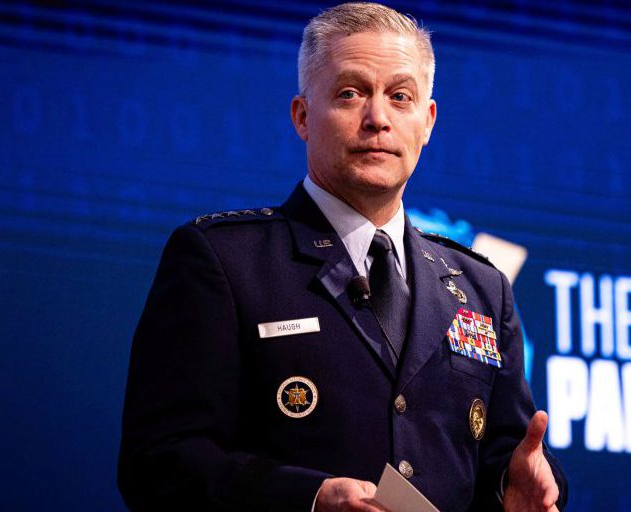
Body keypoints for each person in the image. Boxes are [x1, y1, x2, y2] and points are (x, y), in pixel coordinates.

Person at [118, 3, 567, 511]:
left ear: (428, 122)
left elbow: (502, 460)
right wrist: (307, 499)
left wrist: (518, 488)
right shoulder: (223, 260)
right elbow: (158, 463)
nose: (378, 118)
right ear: (303, 116)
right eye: (350, 93)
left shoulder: (483, 289)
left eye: (401, 97)